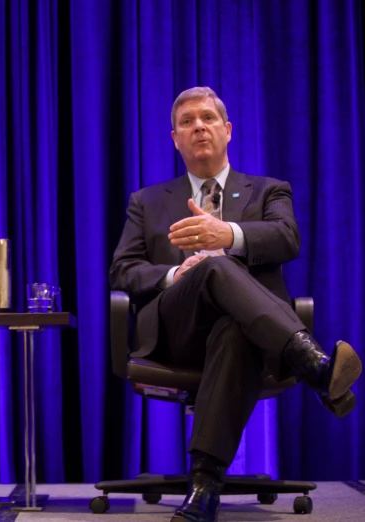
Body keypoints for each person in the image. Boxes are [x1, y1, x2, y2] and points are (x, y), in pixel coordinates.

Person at [109, 86, 361, 522]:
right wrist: (175, 274)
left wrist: (229, 235)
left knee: (234, 324)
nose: (199, 126)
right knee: (211, 267)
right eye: (187, 122)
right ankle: (313, 363)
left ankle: (204, 487)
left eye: (207, 118)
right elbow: (123, 271)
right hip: (177, 330)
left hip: (251, 333)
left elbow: (287, 238)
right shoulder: (146, 202)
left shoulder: (269, 191)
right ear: (175, 139)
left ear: (227, 131)